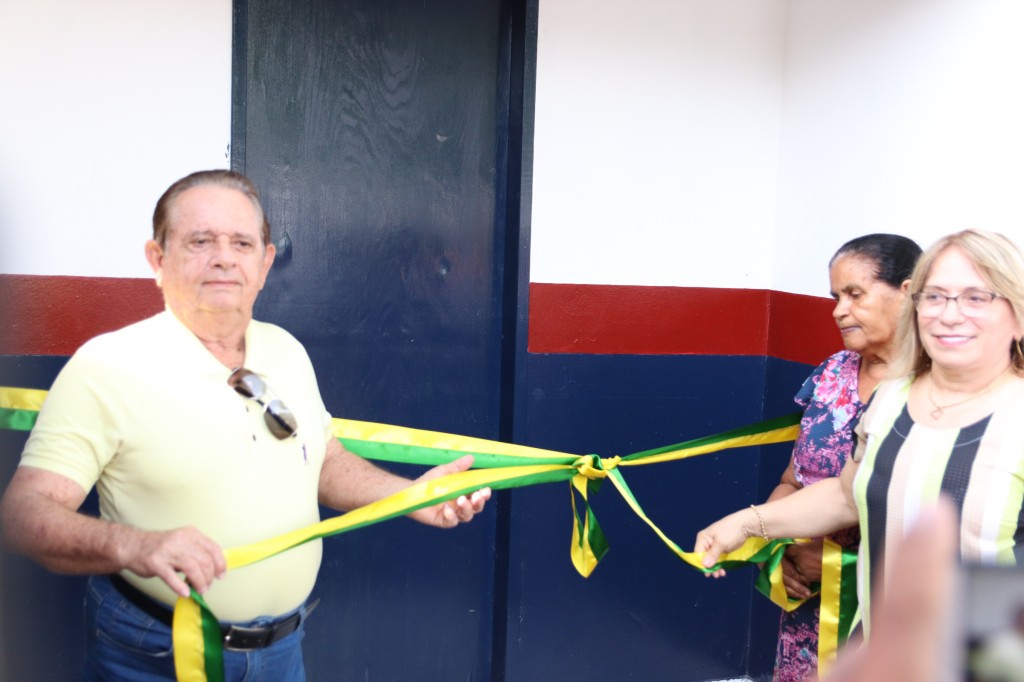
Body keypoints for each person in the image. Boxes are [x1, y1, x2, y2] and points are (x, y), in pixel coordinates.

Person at [0, 169, 492, 681]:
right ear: (157, 259)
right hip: (155, 652)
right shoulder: (106, 366)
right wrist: (136, 546)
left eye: (241, 242)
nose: (223, 257)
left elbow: (324, 461)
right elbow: (23, 515)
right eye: (200, 241)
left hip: (282, 651)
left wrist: (410, 495)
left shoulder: (287, 350)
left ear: (265, 262)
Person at [696, 229, 1024, 654]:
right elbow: (846, 496)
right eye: (935, 296)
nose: (950, 314)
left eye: (976, 298)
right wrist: (741, 525)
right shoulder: (891, 399)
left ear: (1016, 314)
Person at [767, 234, 921, 681]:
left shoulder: (936, 389)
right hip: (809, 610)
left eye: (855, 294)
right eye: (835, 296)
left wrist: (843, 566)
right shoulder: (832, 373)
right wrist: (783, 547)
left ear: (908, 293)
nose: (838, 309)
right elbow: (793, 482)